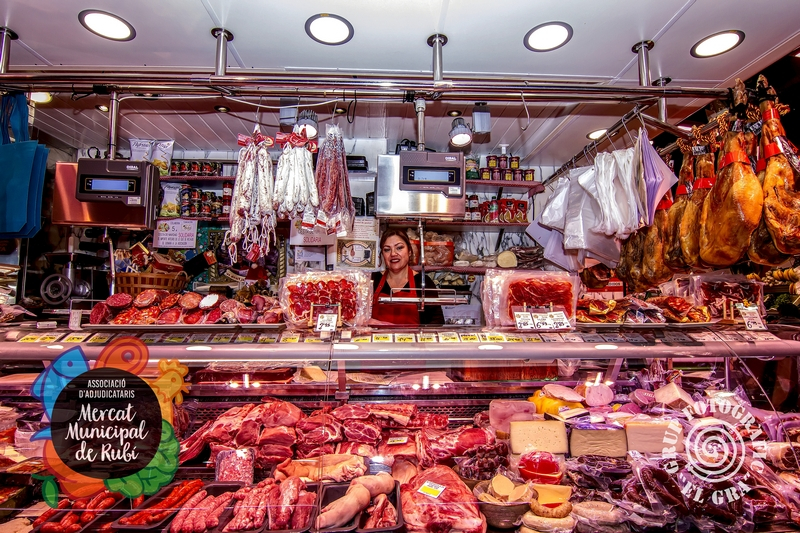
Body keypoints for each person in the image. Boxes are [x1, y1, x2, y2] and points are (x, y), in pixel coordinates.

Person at [371, 229, 444, 325]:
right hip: (379, 335)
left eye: (399, 248)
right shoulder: (373, 280)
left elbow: (437, 322)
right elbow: (359, 316)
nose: (393, 254)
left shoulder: (423, 282)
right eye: (387, 249)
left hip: (413, 335)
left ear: (409, 251)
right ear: (382, 255)